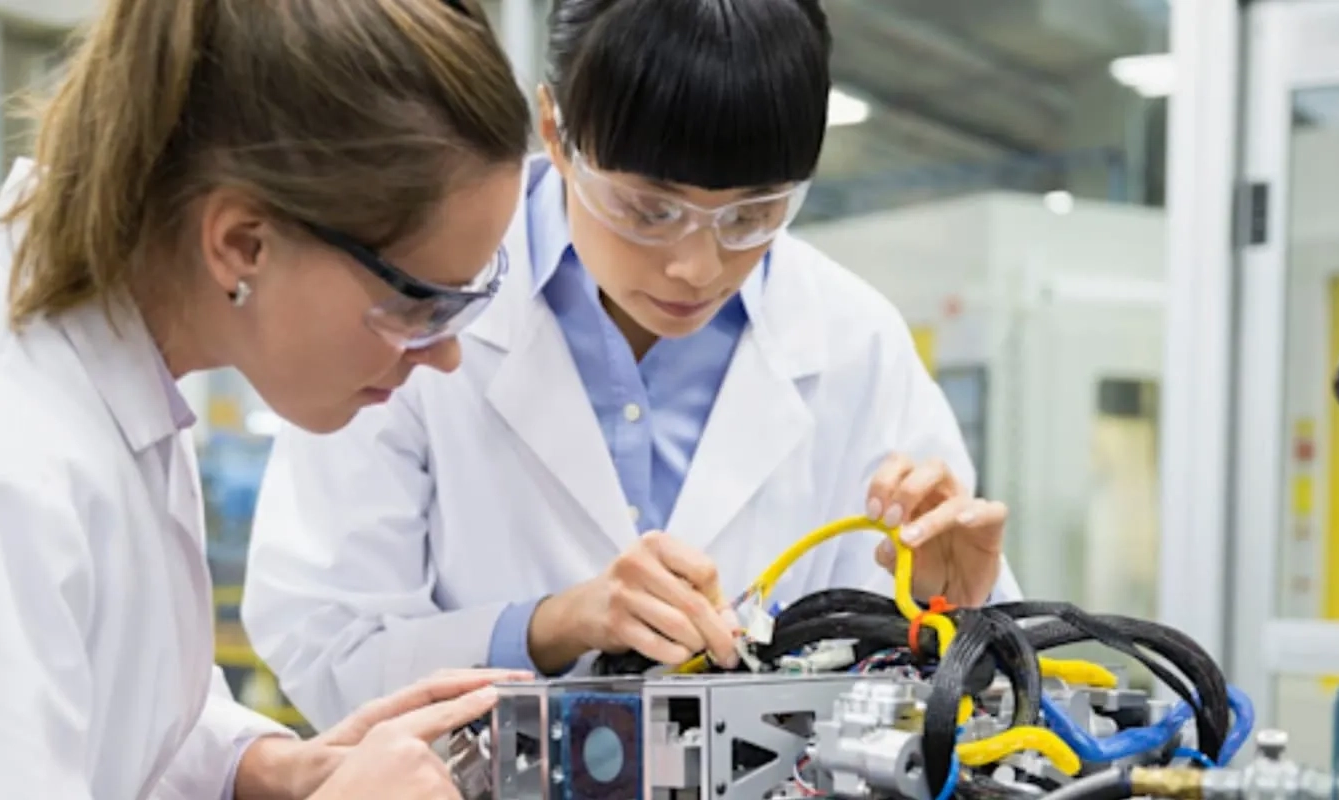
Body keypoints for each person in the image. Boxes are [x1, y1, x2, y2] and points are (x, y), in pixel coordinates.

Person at [0, 0, 535, 797]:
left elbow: (106, 700)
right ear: (241, 243)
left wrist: (256, 766)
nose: (444, 352)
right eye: (419, 303)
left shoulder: (109, 372)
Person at [242, 0, 1023, 729]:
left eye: (753, 214)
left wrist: (941, 607)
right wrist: (553, 627)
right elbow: (322, 637)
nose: (697, 264)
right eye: (651, 209)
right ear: (554, 128)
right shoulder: (424, 301)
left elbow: (939, 707)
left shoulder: (857, 342)